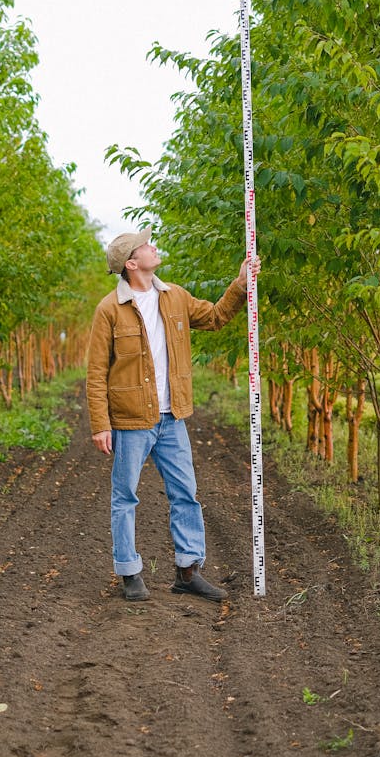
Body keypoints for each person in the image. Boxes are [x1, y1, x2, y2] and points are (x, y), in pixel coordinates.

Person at [86, 227, 260, 603]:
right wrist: (101, 424)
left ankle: (188, 570)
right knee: (125, 496)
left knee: (185, 493)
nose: (153, 246)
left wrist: (241, 284)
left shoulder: (175, 297)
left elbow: (214, 317)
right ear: (131, 263)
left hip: (171, 417)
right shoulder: (109, 310)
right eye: (145, 245)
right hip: (131, 420)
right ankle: (130, 571)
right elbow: (96, 372)